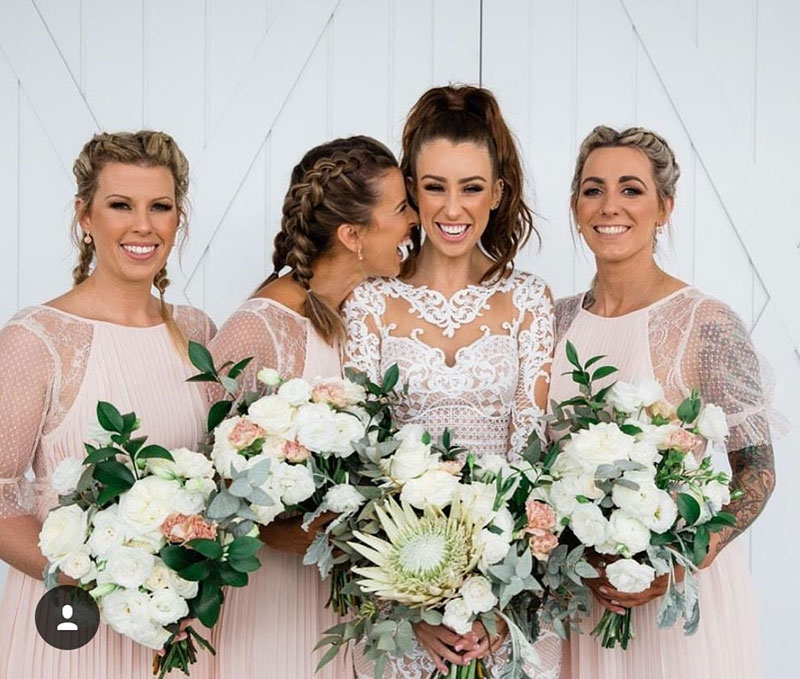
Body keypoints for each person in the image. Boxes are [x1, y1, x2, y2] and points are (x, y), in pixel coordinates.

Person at [343, 85, 561, 679]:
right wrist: (411, 605)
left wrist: (498, 599)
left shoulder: (528, 300)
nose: (452, 208)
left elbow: (531, 453)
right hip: (401, 592)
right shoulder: (370, 304)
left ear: (497, 193)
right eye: (434, 187)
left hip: (507, 593)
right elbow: (362, 459)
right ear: (411, 191)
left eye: (471, 188)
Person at [550, 125, 773, 678]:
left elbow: (758, 470)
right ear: (576, 206)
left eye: (631, 190)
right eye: (593, 189)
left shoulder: (707, 323)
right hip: (578, 594)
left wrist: (684, 559)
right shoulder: (551, 323)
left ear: (664, 207)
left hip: (673, 597)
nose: (609, 206)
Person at [0, 131, 217, 678]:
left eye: (160, 207)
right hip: (77, 627)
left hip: (183, 627)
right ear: (85, 216)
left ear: (177, 218)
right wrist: (102, 585)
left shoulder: (197, 331)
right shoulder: (38, 339)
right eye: (120, 205)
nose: (142, 225)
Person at [208, 135, 416, 679]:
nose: (414, 219)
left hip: (349, 608)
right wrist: (307, 530)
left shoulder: (361, 319)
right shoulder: (259, 329)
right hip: (276, 606)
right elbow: (208, 487)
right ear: (352, 235)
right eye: (400, 208)